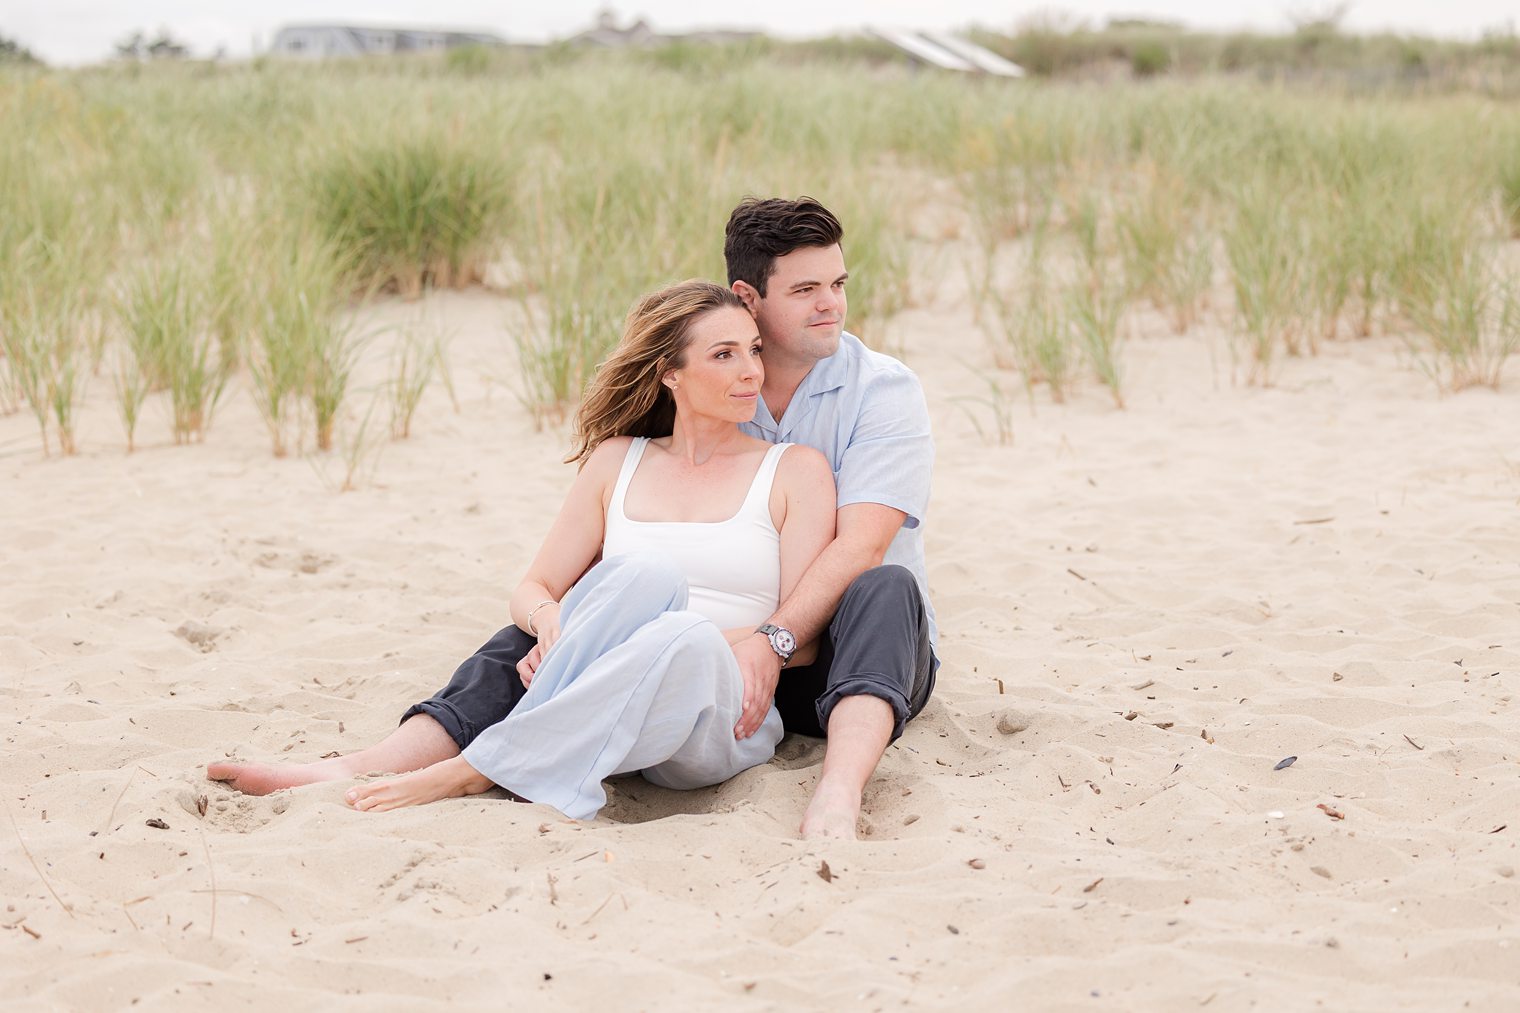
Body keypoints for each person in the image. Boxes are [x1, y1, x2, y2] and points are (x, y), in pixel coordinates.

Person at [211, 196, 938, 839]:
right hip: (690, 659)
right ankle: (361, 765)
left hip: (833, 652)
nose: (831, 304)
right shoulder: (634, 452)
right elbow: (556, 579)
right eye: (807, 288)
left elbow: (862, 545)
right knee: (560, 616)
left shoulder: (873, 397)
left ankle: (836, 792)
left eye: (838, 284)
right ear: (747, 300)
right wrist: (559, 620)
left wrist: (770, 642)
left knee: (876, 588)